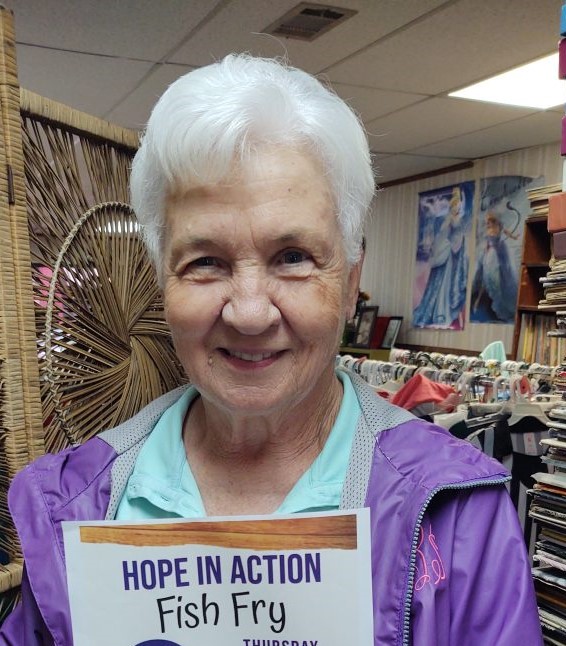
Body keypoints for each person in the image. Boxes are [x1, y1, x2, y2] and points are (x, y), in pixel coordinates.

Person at [1, 54, 542, 645]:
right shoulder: (74, 505)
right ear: (161, 282)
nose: (250, 312)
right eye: (205, 262)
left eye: (293, 257)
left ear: (351, 278)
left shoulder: (456, 513)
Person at [413, 186, 468, 329]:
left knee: (443, 283)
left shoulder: (451, 220)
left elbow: (456, 237)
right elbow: (443, 236)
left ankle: (440, 312)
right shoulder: (447, 219)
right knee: (438, 282)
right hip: (443, 253)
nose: (457, 209)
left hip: (446, 254)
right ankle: (438, 312)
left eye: (458, 206)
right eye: (455, 206)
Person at [471, 209, 520, 323]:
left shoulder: (498, 227)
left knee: (505, 274)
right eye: (487, 222)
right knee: (487, 275)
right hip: (491, 252)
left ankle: (507, 303)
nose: (487, 224)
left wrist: (514, 237)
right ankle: (483, 298)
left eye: (489, 222)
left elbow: (507, 233)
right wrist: (486, 251)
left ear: (494, 221)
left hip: (501, 251)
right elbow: (488, 243)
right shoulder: (488, 231)